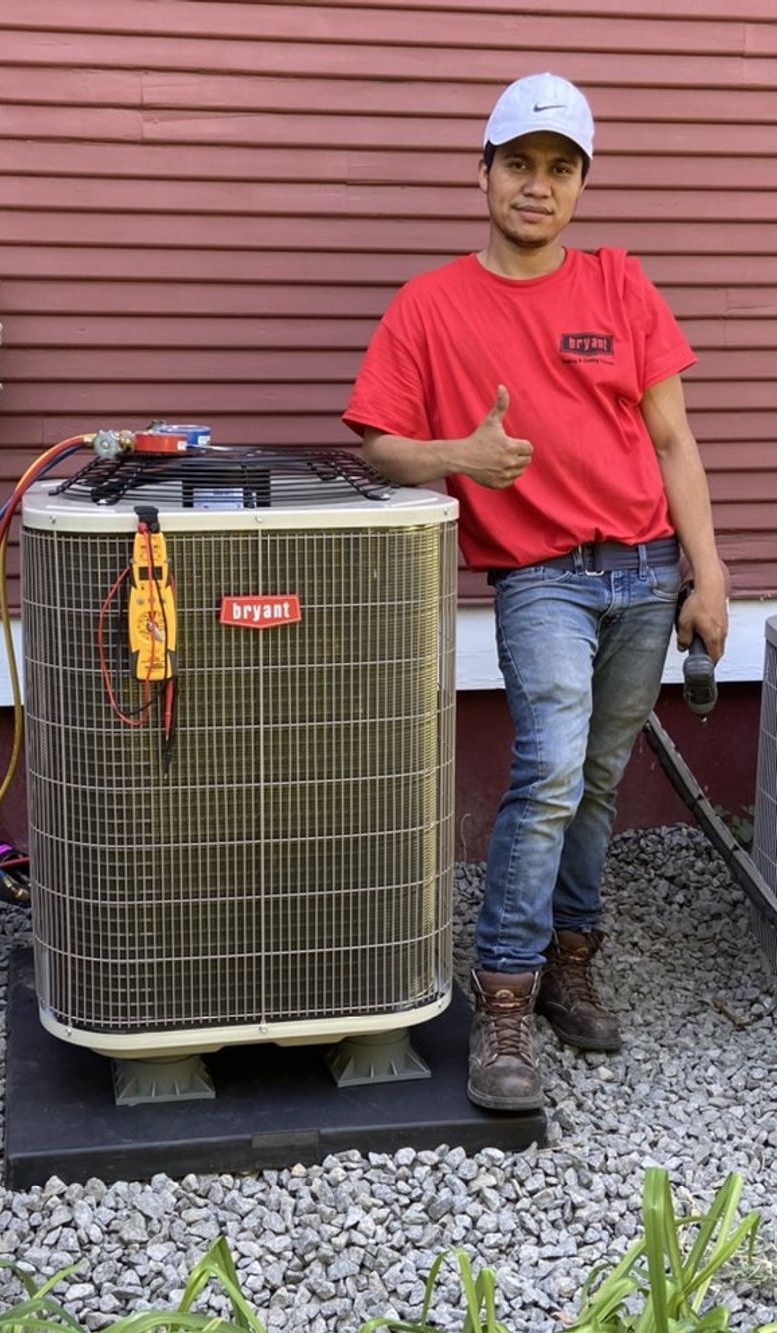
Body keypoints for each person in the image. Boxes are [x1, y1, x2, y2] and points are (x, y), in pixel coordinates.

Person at [342, 72, 728, 1111]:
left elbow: (673, 438)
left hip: (646, 572)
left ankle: (569, 964)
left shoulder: (621, 286)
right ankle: (502, 999)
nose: (537, 186)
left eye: (560, 169)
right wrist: (460, 455)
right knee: (552, 766)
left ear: (579, 184)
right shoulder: (430, 306)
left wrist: (711, 571)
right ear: (484, 171)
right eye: (519, 163)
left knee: (596, 780)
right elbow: (377, 447)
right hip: (540, 578)